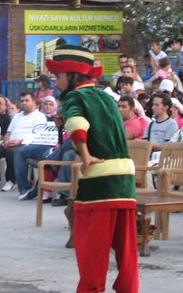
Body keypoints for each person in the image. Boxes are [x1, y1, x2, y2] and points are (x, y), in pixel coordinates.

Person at [45, 45, 138, 293]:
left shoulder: (74, 97)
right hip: (125, 181)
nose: (56, 81)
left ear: (72, 74)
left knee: (92, 252)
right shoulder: (107, 97)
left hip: (100, 181)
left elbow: (77, 123)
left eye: (58, 75)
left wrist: (85, 155)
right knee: (127, 250)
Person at [0, 92, 46, 192]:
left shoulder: (39, 116)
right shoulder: (17, 116)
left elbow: (36, 135)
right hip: (10, 144)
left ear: (33, 102)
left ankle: (11, 180)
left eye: (27, 100)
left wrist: (19, 142)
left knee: (11, 152)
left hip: (27, 145)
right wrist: (6, 141)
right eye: (22, 101)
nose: (24, 103)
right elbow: (8, 132)